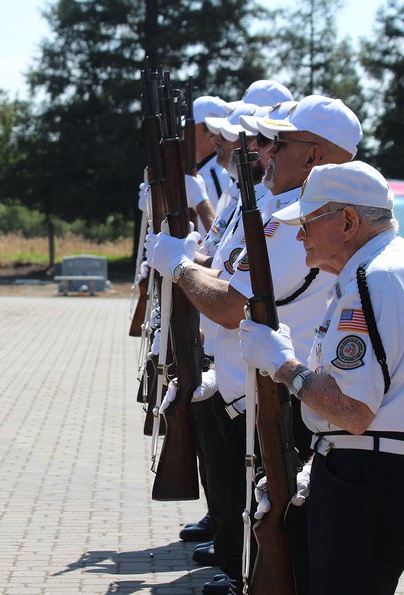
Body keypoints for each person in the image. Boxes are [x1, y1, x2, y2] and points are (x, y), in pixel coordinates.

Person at [145, 94, 361, 594]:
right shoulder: (283, 209)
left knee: (277, 519)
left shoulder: (299, 220)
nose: (265, 151)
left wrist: (179, 266)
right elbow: (224, 275)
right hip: (255, 383)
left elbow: (227, 303)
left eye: (276, 142)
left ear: (312, 155)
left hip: (282, 392)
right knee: (256, 511)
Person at [239, 161, 404, 595]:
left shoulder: (372, 280)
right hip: (371, 463)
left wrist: (283, 366)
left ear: (348, 221)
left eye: (308, 222)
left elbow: (352, 411)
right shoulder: (385, 270)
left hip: (366, 473)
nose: (300, 235)